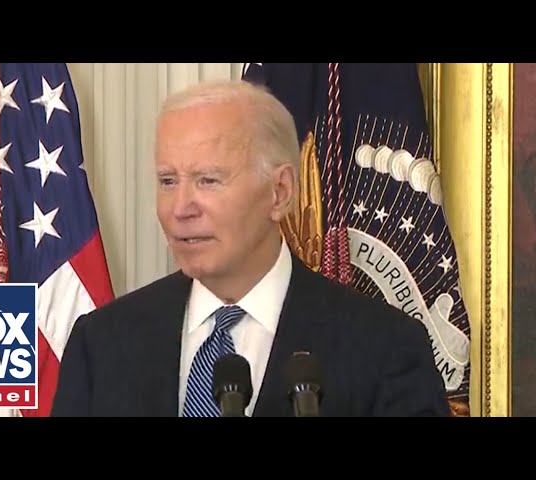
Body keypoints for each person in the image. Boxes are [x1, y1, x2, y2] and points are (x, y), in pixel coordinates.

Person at [50, 79, 450, 417]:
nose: (180, 209)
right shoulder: (101, 345)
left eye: (208, 180)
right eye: (168, 181)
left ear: (280, 192)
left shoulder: (385, 350)